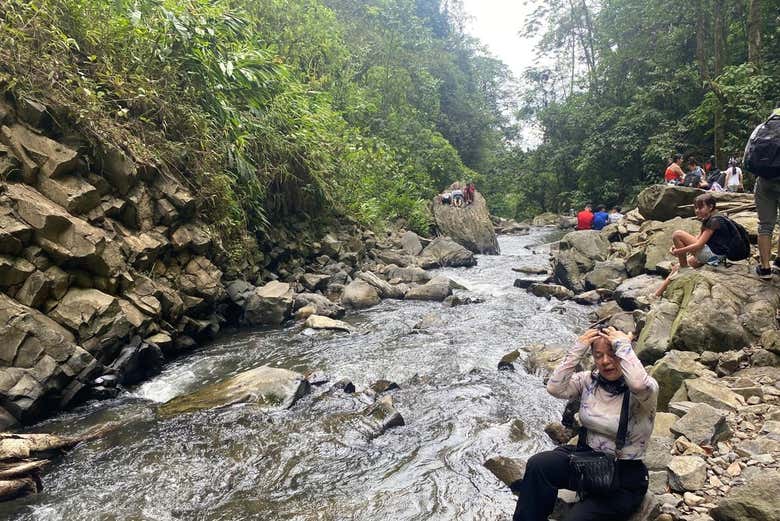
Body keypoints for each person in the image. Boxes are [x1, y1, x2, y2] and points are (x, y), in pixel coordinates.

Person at [512, 326, 657, 521]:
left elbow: (640, 384)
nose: (605, 361)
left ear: (624, 354)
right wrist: (578, 349)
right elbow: (555, 388)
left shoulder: (645, 392)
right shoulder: (589, 381)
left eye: (612, 354)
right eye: (599, 355)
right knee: (539, 465)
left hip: (623, 476)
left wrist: (623, 344)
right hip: (586, 463)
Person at [653, 193, 733, 297]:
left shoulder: (714, 221)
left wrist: (679, 251)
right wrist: (678, 246)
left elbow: (699, 245)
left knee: (677, 234)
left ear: (710, 207)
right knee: (676, 268)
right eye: (695, 208)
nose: (697, 211)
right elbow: (698, 239)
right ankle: (655, 295)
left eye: (701, 207)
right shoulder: (711, 218)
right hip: (715, 256)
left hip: (714, 256)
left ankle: (684, 268)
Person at [748, 107, 780, 279]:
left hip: (765, 181)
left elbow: (750, 155)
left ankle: (765, 268)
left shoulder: (762, 128)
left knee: (765, 225)